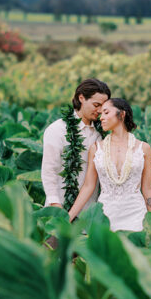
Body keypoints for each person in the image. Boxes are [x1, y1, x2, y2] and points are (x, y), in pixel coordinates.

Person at [67, 98, 151, 230]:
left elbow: (148, 188)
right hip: (105, 216)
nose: (101, 118)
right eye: (101, 114)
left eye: (106, 113)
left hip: (136, 216)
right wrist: (68, 217)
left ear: (122, 114)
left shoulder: (143, 148)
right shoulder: (96, 148)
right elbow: (88, 186)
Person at [41, 78, 111, 209]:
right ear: (81, 98)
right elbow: (49, 170)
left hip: (90, 210)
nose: (100, 110)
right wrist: (55, 203)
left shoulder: (101, 134)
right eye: (96, 105)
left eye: (104, 106)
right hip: (61, 206)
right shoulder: (57, 130)